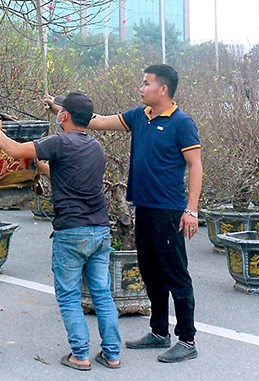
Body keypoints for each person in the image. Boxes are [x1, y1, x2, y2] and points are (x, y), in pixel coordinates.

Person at [44, 65, 203, 363]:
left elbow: (196, 166)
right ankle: (158, 332)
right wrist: (61, 108)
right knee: (150, 271)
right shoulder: (139, 116)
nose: (141, 88)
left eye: (145, 84)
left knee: (175, 273)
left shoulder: (182, 123)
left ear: (163, 89)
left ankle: (187, 338)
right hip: (143, 206)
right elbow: (98, 121)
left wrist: (191, 210)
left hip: (168, 209)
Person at [0, 91, 122, 371]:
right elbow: (65, 177)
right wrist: (41, 164)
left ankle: (80, 354)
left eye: (60, 111)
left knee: (69, 295)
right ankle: (112, 354)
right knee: (102, 294)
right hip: (99, 230)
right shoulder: (96, 147)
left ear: (65, 116)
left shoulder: (59, 142)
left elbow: (13, 150)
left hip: (71, 232)